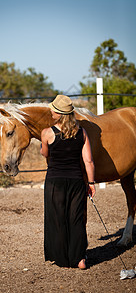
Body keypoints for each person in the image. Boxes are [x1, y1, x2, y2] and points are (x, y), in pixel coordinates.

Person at [40, 95, 96, 270]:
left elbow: (45, 153)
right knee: (76, 219)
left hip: (55, 183)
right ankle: (79, 259)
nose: (51, 111)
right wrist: (92, 183)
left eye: (53, 109)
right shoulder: (82, 132)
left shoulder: (47, 133)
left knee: (57, 218)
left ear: (59, 113)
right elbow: (88, 161)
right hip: (76, 181)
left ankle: (61, 257)